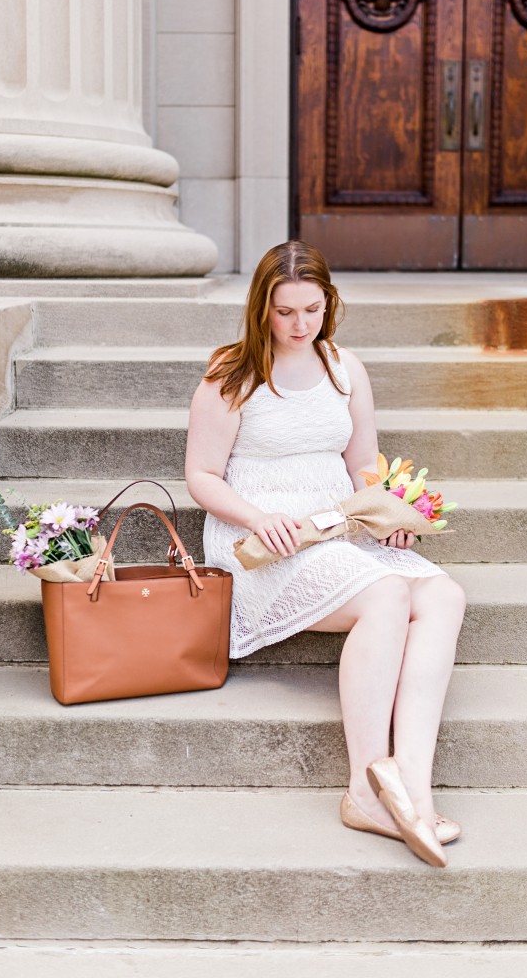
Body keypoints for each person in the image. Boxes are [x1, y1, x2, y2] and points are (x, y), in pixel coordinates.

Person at [185, 241, 467, 867]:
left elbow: (361, 464)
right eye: (285, 311)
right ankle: (364, 792)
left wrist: (389, 512)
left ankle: (413, 788)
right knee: (388, 596)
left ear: (328, 304)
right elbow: (201, 475)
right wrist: (261, 517)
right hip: (265, 538)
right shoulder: (231, 375)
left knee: (444, 594)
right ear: (262, 308)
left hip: (338, 524)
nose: (299, 325)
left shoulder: (344, 368)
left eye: (311, 309)